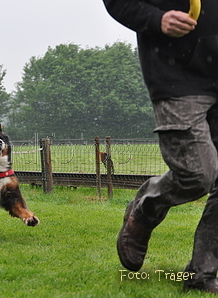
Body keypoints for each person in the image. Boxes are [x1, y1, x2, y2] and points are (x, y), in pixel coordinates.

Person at [103, 0, 218, 293]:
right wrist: (157, 20)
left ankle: (203, 274)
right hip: (178, 74)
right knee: (197, 175)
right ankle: (144, 209)